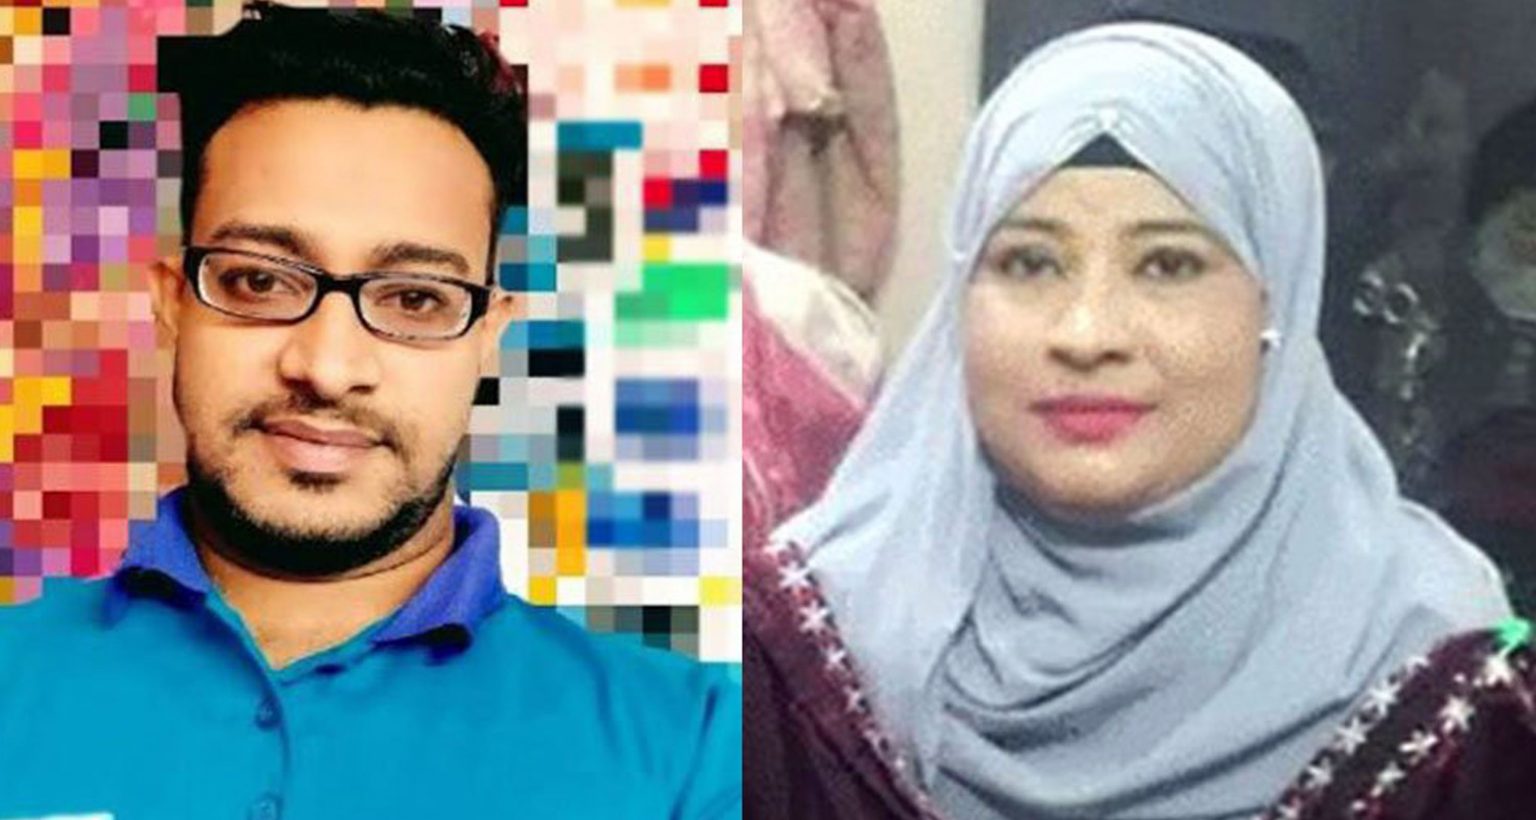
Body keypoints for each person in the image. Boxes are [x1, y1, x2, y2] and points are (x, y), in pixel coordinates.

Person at [745, 22, 1527, 820]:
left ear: (1276, 305)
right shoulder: (798, 652)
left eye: (1168, 264)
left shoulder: (1440, 679)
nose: (1087, 334)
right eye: (1030, 262)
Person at [0, 5, 740, 819]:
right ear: (175, 303)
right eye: (259, 281)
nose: (327, 368)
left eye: (415, 298)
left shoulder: (699, 747)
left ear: (487, 336)